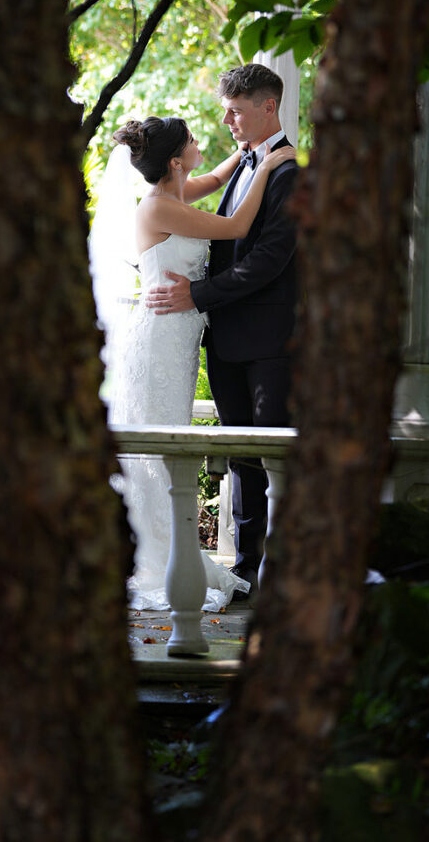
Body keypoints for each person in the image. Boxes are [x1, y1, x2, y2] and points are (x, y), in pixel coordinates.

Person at [90, 114, 295, 609]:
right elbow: (237, 225)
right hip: (159, 343)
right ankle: (156, 558)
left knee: (164, 449)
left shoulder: (176, 194)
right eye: (193, 141)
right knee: (156, 456)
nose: (202, 141)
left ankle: (163, 549)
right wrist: (269, 166)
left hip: (178, 341)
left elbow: (221, 178)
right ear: (177, 160)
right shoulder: (161, 207)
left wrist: (248, 156)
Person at [145, 64, 299, 590]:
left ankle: (277, 568)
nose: (226, 119)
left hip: (270, 342)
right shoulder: (249, 164)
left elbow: (271, 259)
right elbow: (226, 231)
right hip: (225, 338)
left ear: (268, 108)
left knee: (269, 450)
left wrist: (198, 293)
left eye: (235, 110)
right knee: (239, 455)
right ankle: (248, 565)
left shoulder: (289, 172)